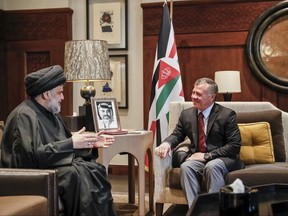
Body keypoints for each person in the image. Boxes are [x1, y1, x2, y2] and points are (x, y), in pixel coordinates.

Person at [0, 65, 117, 216]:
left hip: (49, 167)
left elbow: (65, 145)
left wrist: (89, 144)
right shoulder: (24, 115)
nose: (62, 97)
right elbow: (31, 157)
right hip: (29, 175)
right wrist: (72, 143)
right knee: (74, 174)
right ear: (47, 94)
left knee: (95, 169)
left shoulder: (52, 114)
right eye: (60, 93)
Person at [155, 77, 244, 208]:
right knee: (186, 166)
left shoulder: (227, 115)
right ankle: (195, 209)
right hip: (198, 158)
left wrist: (207, 156)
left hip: (223, 158)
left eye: (198, 94)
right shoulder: (187, 114)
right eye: (193, 92)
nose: (193, 97)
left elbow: (234, 145)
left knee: (212, 166)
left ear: (212, 97)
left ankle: (214, 211)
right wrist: (167, 143)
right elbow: (177, 134)